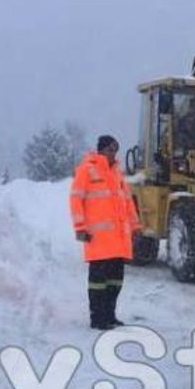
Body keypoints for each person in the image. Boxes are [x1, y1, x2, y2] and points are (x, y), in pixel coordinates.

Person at [69, 135, 141, 329]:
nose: (113, 154)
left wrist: (135, 226)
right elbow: (76, 200)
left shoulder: (117, 173)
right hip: (98, 240)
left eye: (115, 150)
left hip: (118, 241)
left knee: (115, 282)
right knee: (98, 283)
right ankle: (98, 318)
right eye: (110, 150)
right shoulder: (86, 170)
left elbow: (127, 202)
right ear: (101, 150)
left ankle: (110, 315)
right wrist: (80, 227)